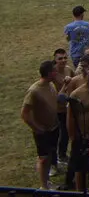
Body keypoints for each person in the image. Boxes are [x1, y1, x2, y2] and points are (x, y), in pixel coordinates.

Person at [22, 60, 60, 189]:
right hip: (43, 131)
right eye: (55, 71)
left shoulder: (51, 85)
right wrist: (37, 128)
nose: (57, 72)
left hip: (54, 127)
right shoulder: (34, 91)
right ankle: (44, 188)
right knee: (43, 159)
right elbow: (25, 114)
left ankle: (47, 181)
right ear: (49, 73)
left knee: (49, 155)